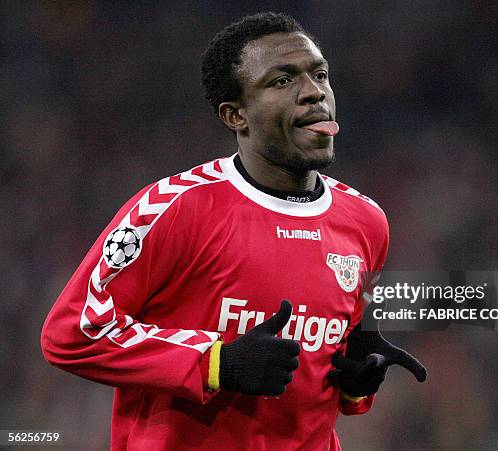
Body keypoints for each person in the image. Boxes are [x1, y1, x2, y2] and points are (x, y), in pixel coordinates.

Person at [41, 12, 425, 450]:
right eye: (282, 81)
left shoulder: (366, 221)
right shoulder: (176, 207)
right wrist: (216, 363)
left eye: (319, 75)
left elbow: (323, 378)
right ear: (235, 115)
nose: (314, 92)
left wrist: (356, 382)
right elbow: (71, 333)